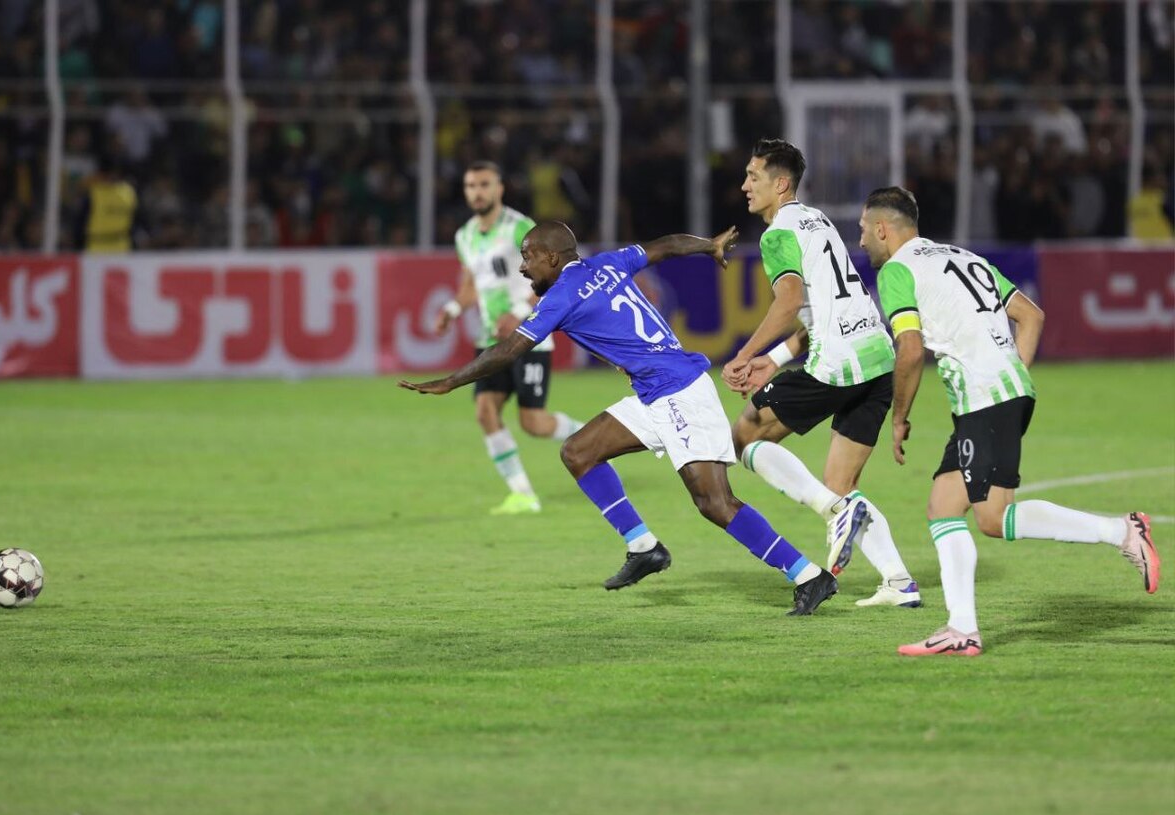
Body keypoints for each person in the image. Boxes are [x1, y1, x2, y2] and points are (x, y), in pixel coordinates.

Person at [402, 221, 852, 616]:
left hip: (678, 393)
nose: (523, 268)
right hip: (655, 391)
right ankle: (644, 547)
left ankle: (808, 575)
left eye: (528, 258)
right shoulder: (608, 263)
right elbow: (667, 244)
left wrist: (451, 381)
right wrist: (708, 246)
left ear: (552, 258)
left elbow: (509, 350)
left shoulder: (560, 297)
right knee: (579, 451)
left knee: (714, 503)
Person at [858, 186, 1161, 656]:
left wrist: (898, 417)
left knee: (992, 517)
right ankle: (961, 631)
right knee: (946, 506)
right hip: (998, 395)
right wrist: (1011, 377)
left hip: (984, 399)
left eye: (862, 231)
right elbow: (1032, 316)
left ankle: (1120, 531)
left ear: (883, 229)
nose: (861, 242)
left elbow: (911, 350)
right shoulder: (966, 258)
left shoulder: (898, 271)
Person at [721, 138, 921, 608]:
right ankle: (898, 581)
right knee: (840, 483)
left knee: (745, 437)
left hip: (838, 362)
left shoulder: (777, 234)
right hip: (876, 356)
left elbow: (789, 300)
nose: (745, 185)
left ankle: (837, 512)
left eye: (754, 176)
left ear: (781, 183)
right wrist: (774, 359)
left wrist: (746, 353)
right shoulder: (818, 221)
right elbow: (824, 306)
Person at [435, 161, 584, 515]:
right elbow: (471, 285)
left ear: (500, 188)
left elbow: (552, 278)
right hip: (491, 337)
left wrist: (517, 310)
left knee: (533, 422)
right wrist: (454, 309)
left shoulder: (520, 228)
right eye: (471, 185)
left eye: (484, 184)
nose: (477, 191)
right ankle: (522, 494)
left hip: (528, 333)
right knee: (485, 412)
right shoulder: (464, 236)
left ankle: (591, 434)